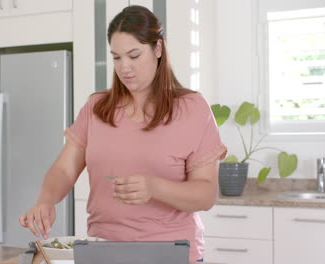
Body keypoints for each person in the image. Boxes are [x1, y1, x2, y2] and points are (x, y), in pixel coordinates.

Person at [19, 5, 227, 263]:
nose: (124, 67)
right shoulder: (97, 108)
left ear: (158, 49)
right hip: (101, 252)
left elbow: (206, 194)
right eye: (116, 57)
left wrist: (154, 187)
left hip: (169, 254)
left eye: (134, 55)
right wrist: (45, 201)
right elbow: (63, 170)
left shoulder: (193, 109)